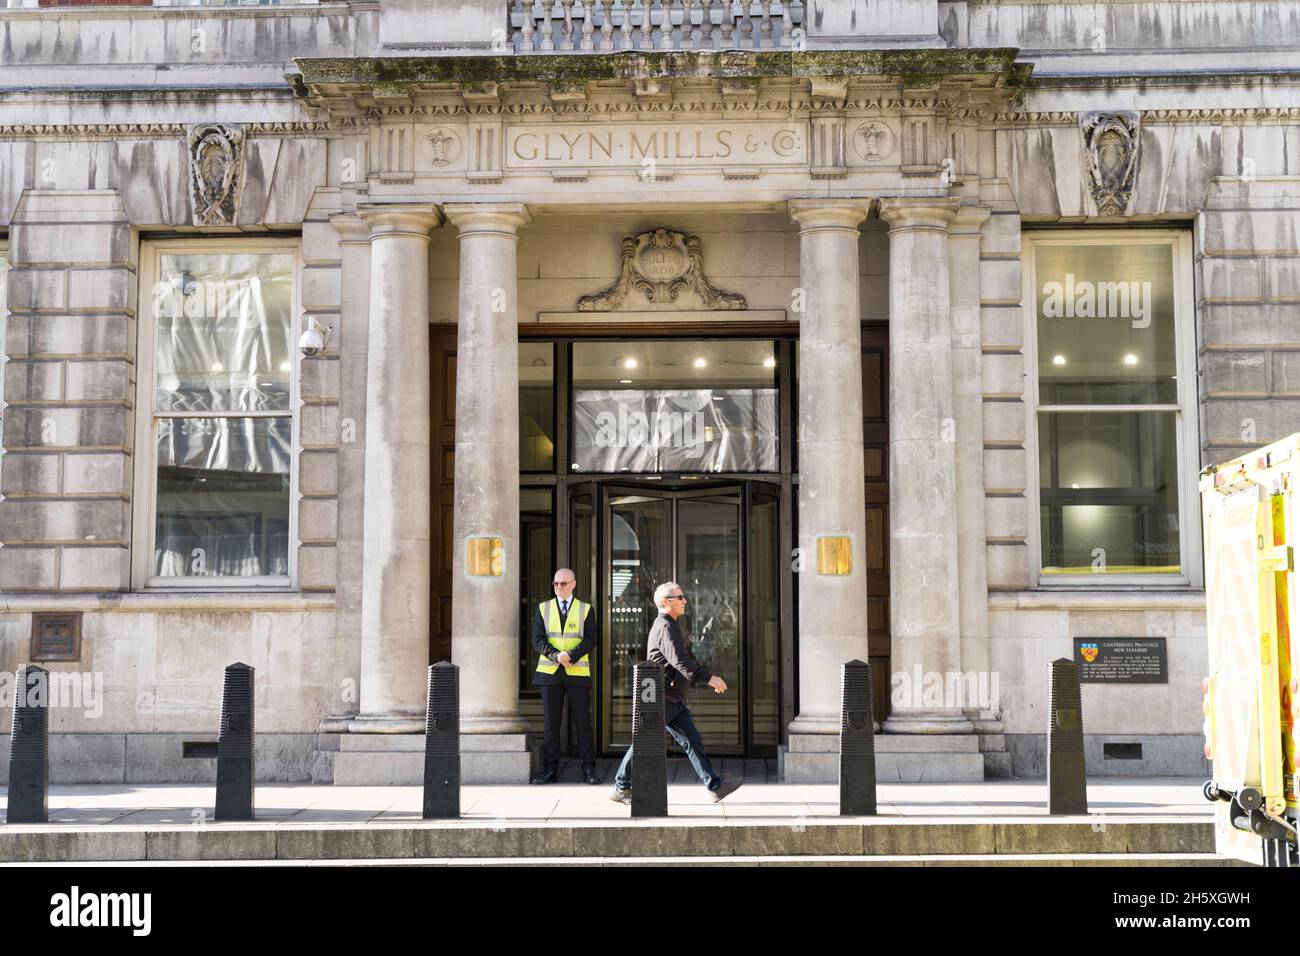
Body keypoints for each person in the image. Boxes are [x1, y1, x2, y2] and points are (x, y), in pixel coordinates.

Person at [610, 581, 742, 805]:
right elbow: (680, 661)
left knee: (692, 741)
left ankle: (714, 786)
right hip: (662, 697)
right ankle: (621, 786)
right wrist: (710, 678)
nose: (684, 601)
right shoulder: (664, 626)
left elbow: (680, 661)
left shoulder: (669, 625)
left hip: (672, 697)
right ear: (665, 602)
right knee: (644, 740)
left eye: (683, 597)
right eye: (679, 597)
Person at [530, 567, 600, 785]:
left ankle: (588, 769)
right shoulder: (543, 608)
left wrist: (571, 655)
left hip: (577, 672)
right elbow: (538, 639)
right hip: (550, 673)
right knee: (552, 725)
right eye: (555, 584)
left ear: (573, 584)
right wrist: (555, 656)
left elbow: (591, 639)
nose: (558, 587)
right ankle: (550, 769)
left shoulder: (585, 609)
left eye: (562, 583)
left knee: (583, 723)